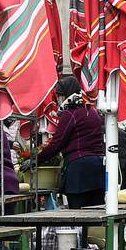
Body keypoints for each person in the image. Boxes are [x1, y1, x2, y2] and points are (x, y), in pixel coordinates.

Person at [37, 76, 105, 207]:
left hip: (79, 172)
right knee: (96, 216)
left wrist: (36, 160)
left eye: (60, 96)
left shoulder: (70, 114)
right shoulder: (92, 111)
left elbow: (57, 143)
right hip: (98, 170)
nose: (59, 100)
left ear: (67, 94)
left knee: (78, 216)